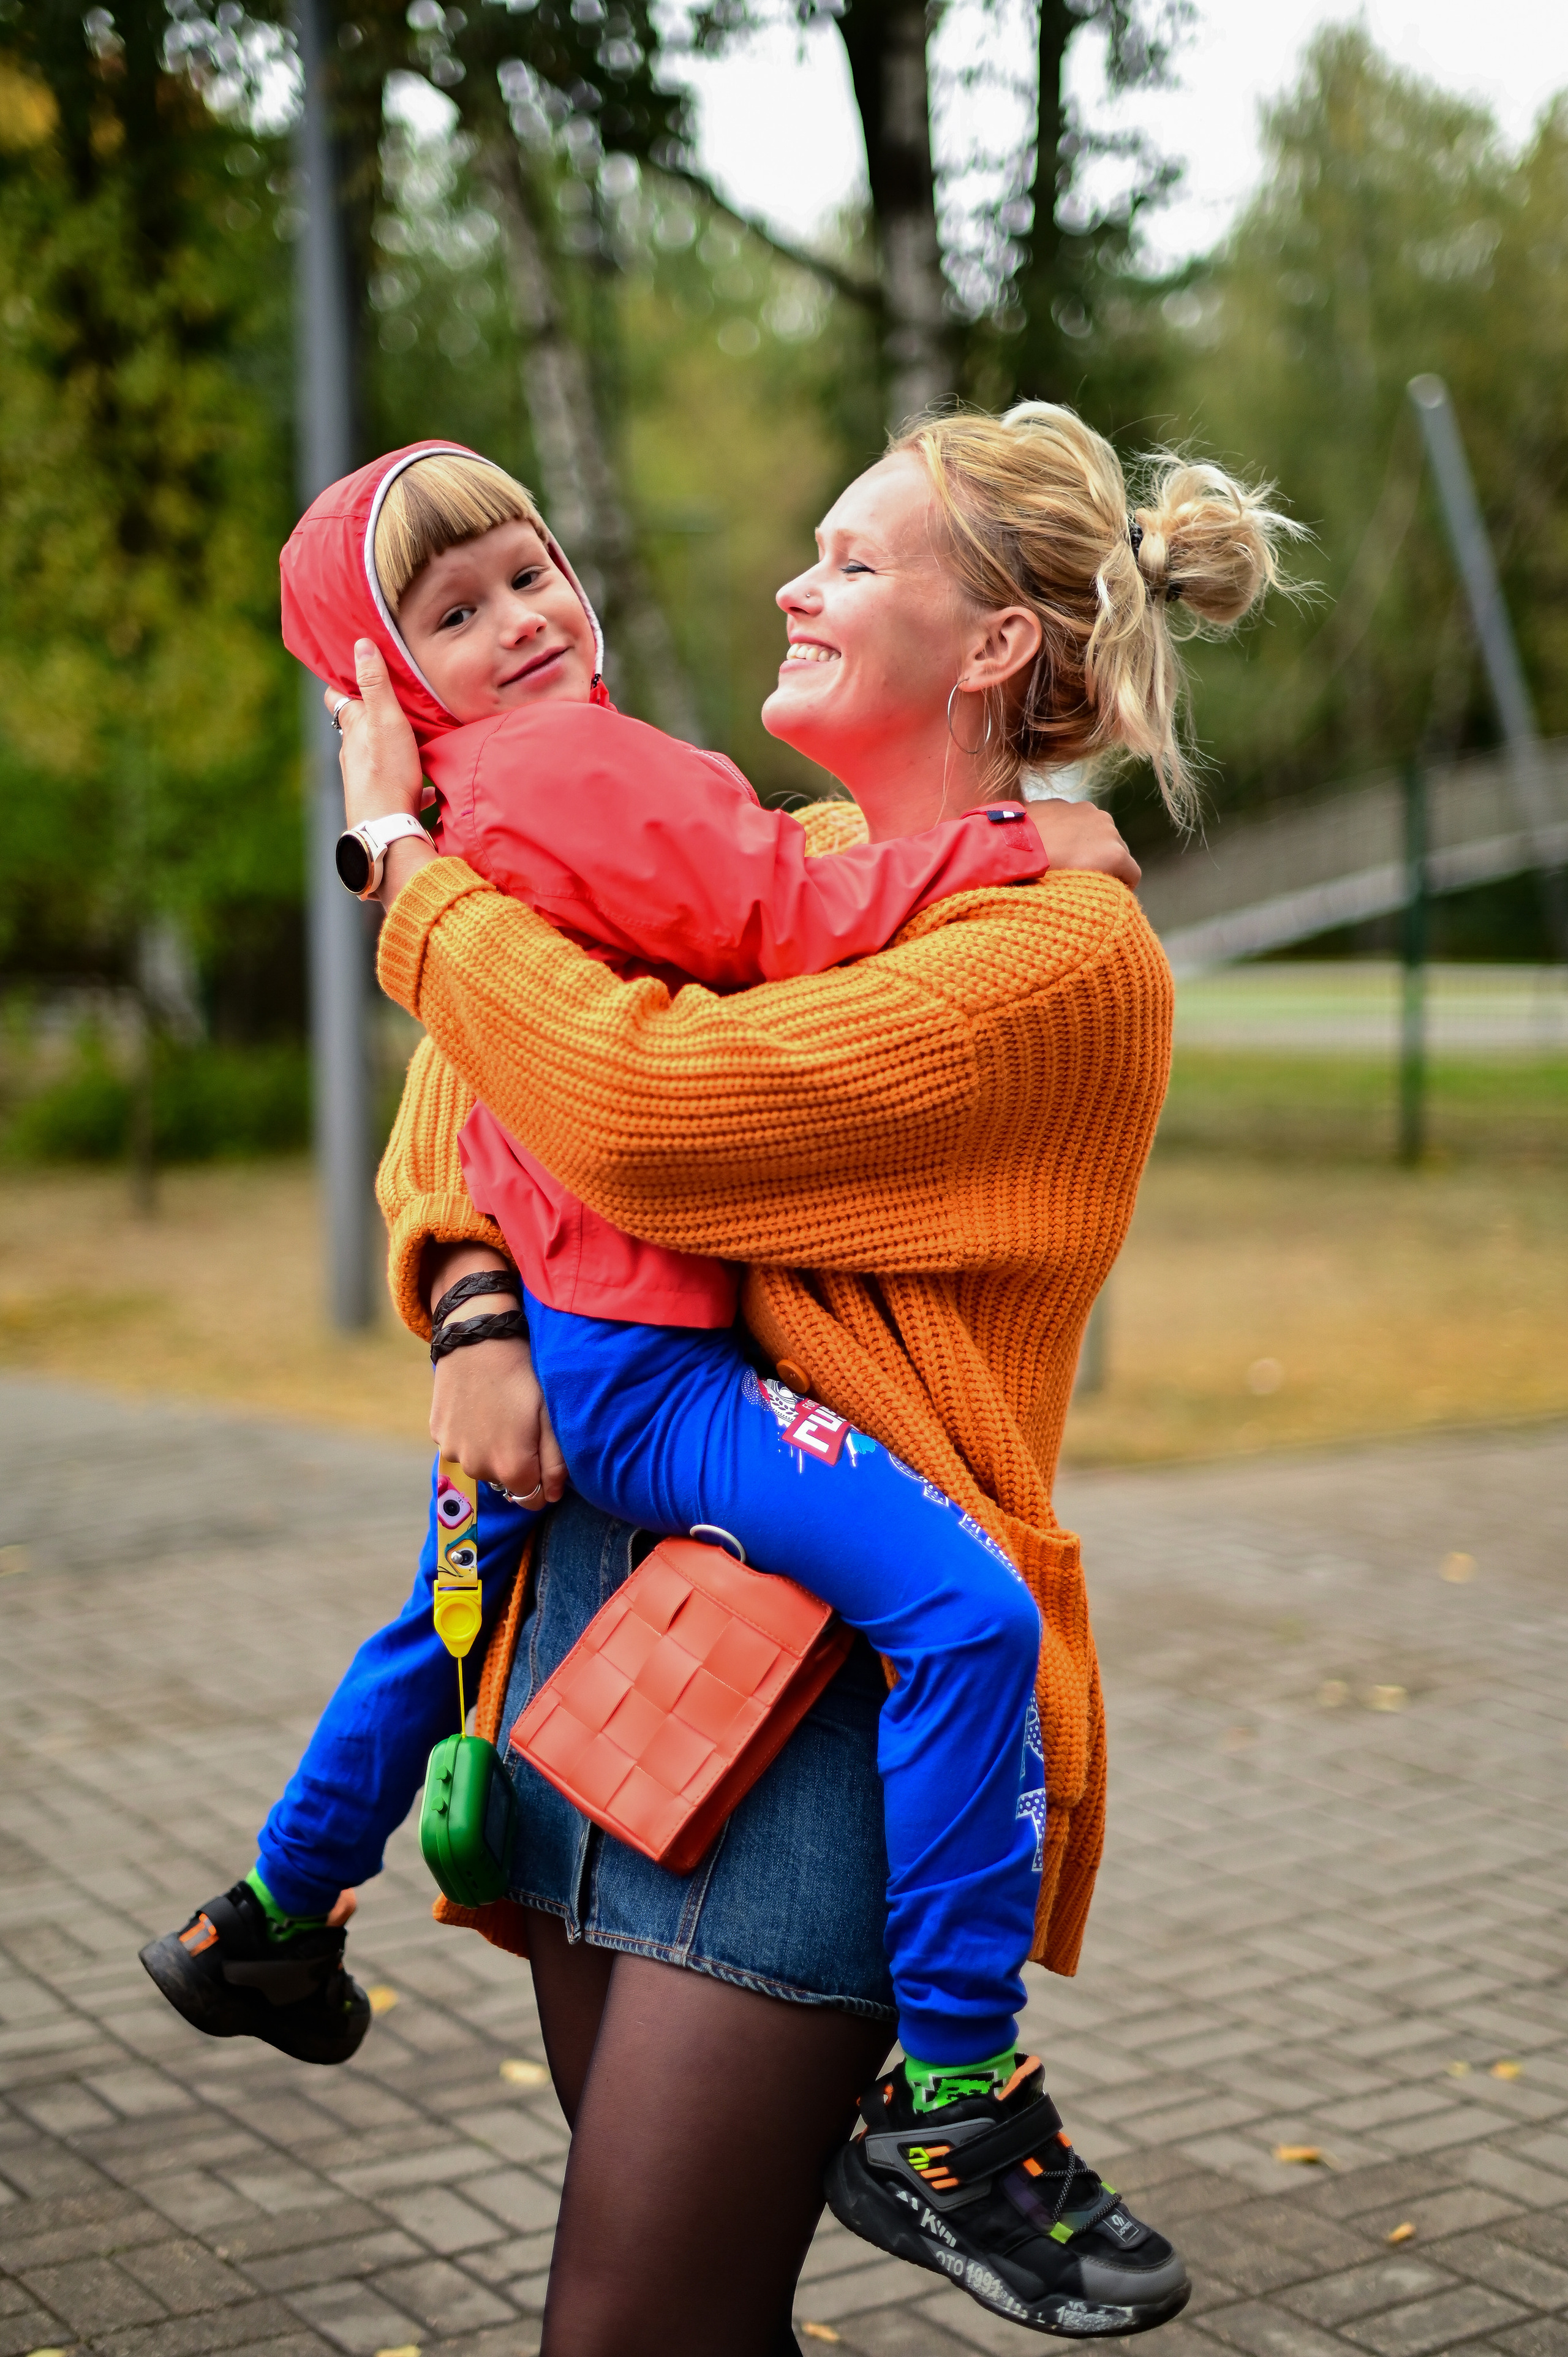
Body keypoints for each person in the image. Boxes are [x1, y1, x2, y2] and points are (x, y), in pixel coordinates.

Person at [141, 441, 1070, 2102]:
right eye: (452, 612)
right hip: (642, 1367)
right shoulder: (565, 768)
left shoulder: (491, 807)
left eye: (528, 570)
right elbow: (758, 944)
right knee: (965, 1615)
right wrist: (1011, 841)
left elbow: (502, 1045)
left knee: (432, 1628)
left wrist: (479, 1303)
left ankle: (270, 1910)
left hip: (576, 1352)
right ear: (382, 690)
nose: (518, 618)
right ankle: (958, 2092)